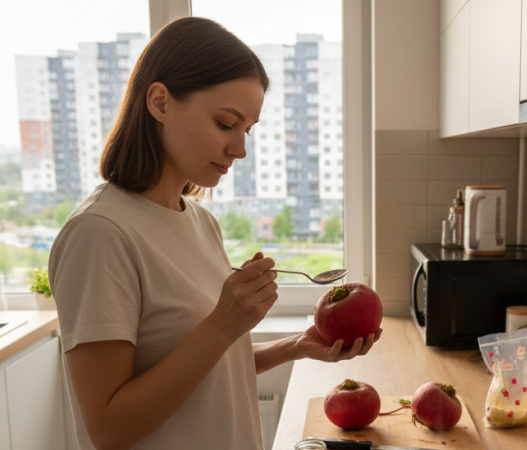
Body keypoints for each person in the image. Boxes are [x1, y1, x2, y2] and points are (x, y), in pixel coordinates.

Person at [48, 17, 381, 450]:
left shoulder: (201, 222)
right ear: (160, 102)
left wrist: (294, 346)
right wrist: (223, 324)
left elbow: (212, 370)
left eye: (247, 130)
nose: (240, 149)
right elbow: (109, 428)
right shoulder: (100, 234)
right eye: (226, 123)